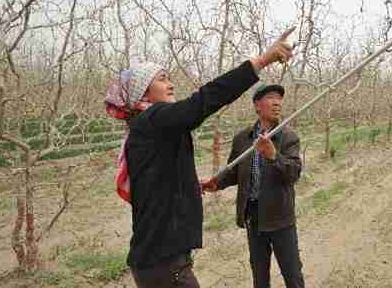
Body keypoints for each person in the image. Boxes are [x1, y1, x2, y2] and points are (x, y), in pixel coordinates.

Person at [104, 28, 294, 288]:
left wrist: (194, 186)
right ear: (143, 93)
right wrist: (260, 62)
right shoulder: (151, 119)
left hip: (161, 261)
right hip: (163, 264)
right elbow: (202, 102)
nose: (170, 84)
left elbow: (160, 182)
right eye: (162, 79)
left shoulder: (150, 128)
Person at [202, 83, 305, 288]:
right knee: (259, 274)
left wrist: (273, 156)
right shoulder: (243, 138)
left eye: (279, 99)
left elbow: (293, 173)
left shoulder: (288, 137)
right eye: (271, 98)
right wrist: (216, 182)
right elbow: (234, 172)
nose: (277, 103)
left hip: (280, 218)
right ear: (257, 105)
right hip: (253, 217)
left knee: (292, 273)